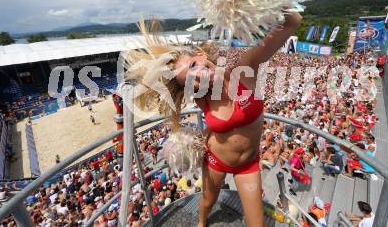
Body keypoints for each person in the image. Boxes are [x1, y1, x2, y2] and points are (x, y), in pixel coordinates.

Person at [125, 12, 302, 227]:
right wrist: (202, 137)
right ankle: (201, 223)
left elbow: (293, 23)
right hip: (216, 161)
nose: (197, 77)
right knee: (208, 201)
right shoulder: (202, 96)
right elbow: (218, 124)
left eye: (193, 67)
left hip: (248, 164)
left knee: (258, 224)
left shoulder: (243, 72)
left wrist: (272, 1)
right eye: (190, 81)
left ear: (200, 55)